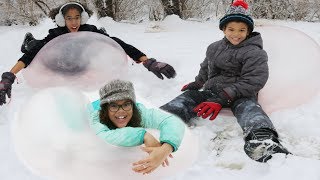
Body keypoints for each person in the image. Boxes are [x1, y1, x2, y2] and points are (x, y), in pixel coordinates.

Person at [160, 0, 290, 163]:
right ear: (223, 29)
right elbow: (206, 68)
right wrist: (198, 83)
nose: (236, 34)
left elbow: (254, 79)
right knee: (187, 98)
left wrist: (224, 97)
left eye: (242, 30)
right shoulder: (214, 47)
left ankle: (263, 139)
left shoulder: (255, 52)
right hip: (212, 92)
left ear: (248, 31)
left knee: (250, 110)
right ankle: (162, 120)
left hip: (240, 94)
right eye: (231, 29)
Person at [0, 1, 176, 106]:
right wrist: (8, 77)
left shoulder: (90, 31)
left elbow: (120, 44)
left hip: (81, 61)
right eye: (69, 18)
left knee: (104, 35)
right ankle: (28, 40)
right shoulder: (55, 35)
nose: (74, 22)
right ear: (62, 20)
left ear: (82, 18)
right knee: (33, 47)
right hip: (60, 61)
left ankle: (102, 32)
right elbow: (29, 57)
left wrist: (148, 61)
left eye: (77, 17)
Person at [90, 79, 185, 175]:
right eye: (113, 106)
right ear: (105, 109)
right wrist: (144, 135)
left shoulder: (139, 113)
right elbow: (104, 136)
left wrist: (165, 149)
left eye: (126, 104)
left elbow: (172, 121)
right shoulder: (95, 118)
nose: (121, 111)